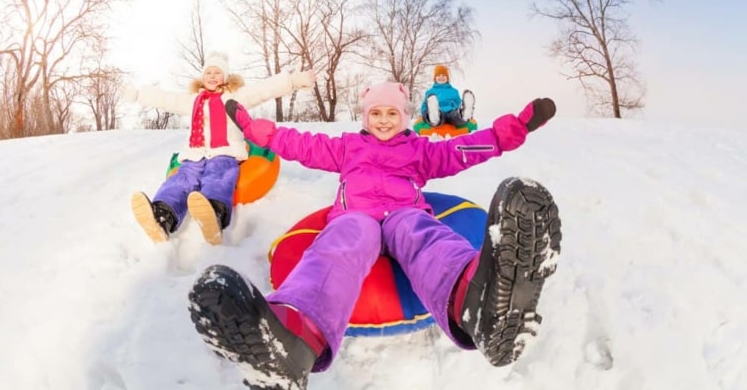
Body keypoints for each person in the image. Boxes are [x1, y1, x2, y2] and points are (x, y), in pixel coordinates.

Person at [188, 82, 561, 389]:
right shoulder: (349, 147)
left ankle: (478, 304)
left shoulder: (419, 151)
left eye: (392, 113)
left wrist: (513, 130)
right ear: (366, 117)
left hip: (404, 214)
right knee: (338, 248)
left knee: (426, 237)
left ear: (404, 117)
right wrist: (254, 130)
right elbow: (299, 144)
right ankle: (292, 342)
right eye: (376, 113)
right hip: (357, 217)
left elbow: (462, 150)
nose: (384, 121)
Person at [123, 51, 315, 245]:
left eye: (217, 73)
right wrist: (139, 95)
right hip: (195, 154)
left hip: (225, 152)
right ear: (202, 77)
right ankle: (162, 215)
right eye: (208, 73)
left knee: (219, 175)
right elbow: (166, 99)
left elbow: (263, 90)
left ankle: (214, 214)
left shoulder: (234, 96)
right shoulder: (193, 100)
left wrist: (293, 80)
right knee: (182, 179)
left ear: (225, 77)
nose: (212, 76)